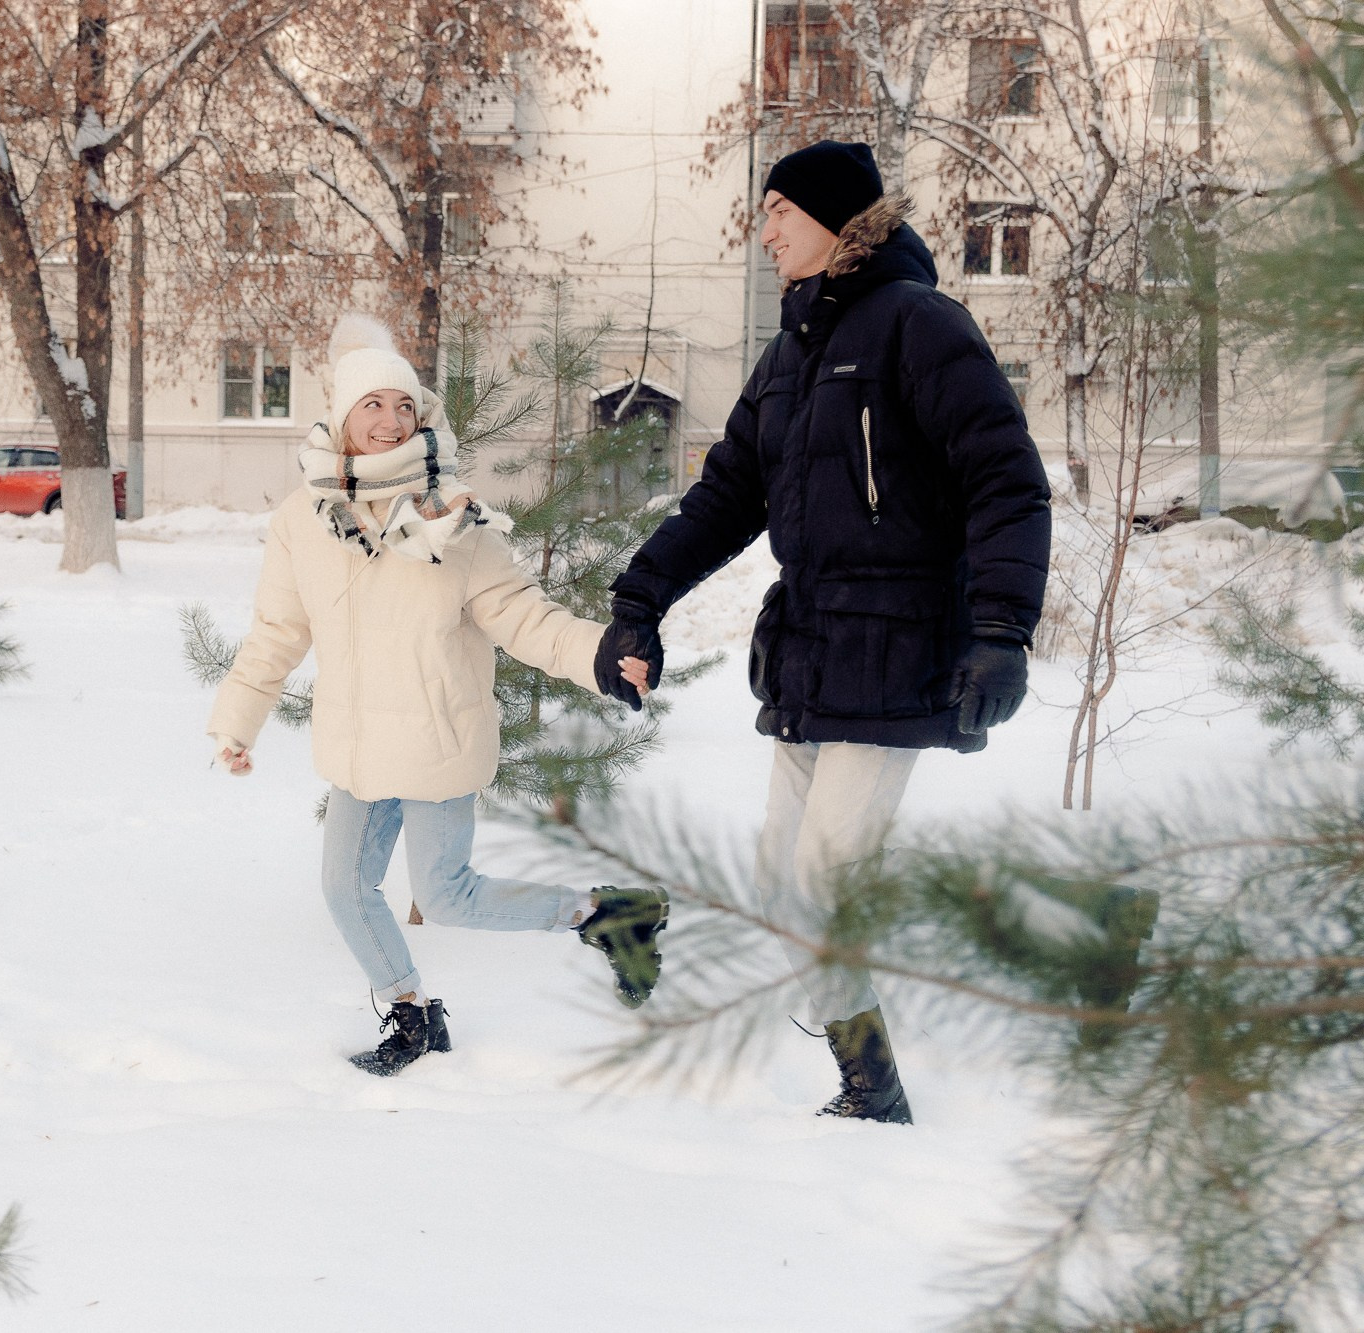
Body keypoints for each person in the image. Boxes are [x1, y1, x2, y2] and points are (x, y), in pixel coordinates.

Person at [597, 141, 1053, 1124]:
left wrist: (1000, 629)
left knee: (820, 885)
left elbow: (1003, 479)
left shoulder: (918, 327)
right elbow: (724, 497)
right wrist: (639, 598)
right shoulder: (790, 352)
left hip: (897, 655)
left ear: (835, 219)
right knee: (781, 890)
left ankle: (874, 1089)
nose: (760, 231)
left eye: (775, 211)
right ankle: (869, 1074)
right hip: (809, 656)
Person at [208, 313, 669, 1077]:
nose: (390, 421)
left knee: (447, 895)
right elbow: (276, 632)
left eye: (403, 406)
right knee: (345, 887)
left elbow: (521, 614)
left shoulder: (452, 517)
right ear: (342, 418)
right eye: (372, 406)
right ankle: (412, 1015)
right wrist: (237, 722)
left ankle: (606, 914)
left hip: (434, 740)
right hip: (357, 748)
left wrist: (599, 652)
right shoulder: (302, 519)